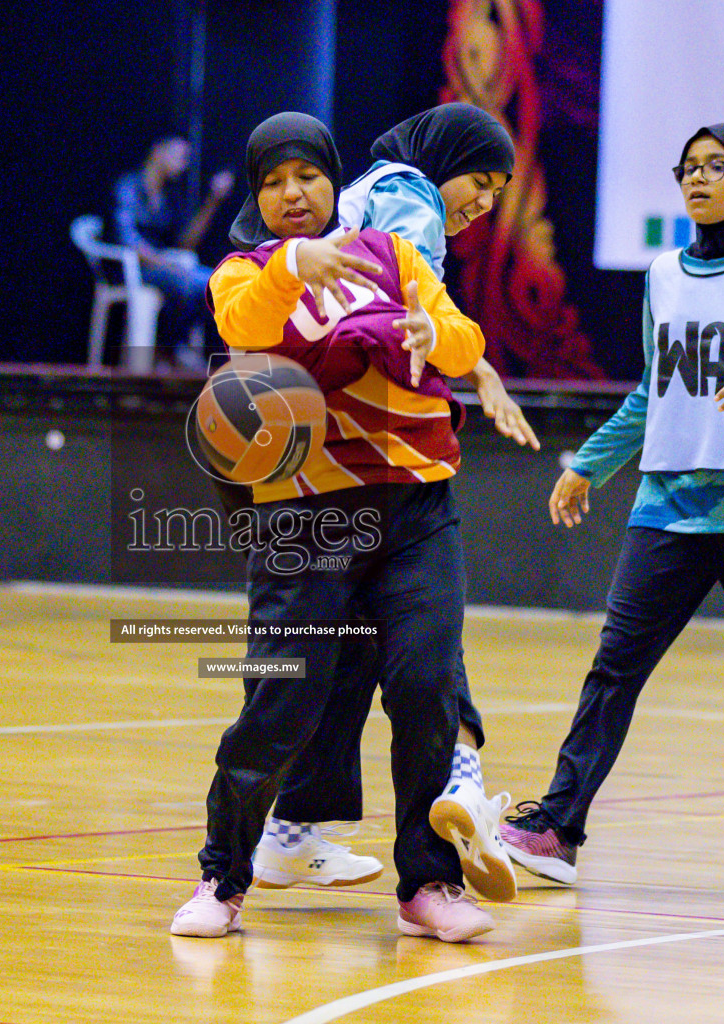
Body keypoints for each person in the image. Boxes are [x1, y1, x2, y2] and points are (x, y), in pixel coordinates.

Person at [497, 124, 724, 895]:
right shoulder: (663, 273)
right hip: (666, 505)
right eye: (688, 168)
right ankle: (558, 829)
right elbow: (652, 388)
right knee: (614, 669)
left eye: (715, 166)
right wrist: (590, 465)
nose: (697, 179)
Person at [170, 112, 495, 942]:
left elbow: (462, 337)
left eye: (308, 177)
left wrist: (438, 333)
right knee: (282, 704)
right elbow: (245, 328)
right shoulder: (241, 275)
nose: (293, 194)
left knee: (425, 689)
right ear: (258, 196)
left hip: (418, 507)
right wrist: (292, 266)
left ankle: (426, 887)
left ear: (334, 182)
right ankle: (223, 878)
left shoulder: (394, 254)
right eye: (275, 182)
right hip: (307, 517)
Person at [252, 103, 536, 904]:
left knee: (351, 656)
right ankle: (464, 782)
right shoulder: (409, 196)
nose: (483, 204)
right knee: (423, 634)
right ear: (445, 159)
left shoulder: (364, 194)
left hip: (320, 459)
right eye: (479, 181)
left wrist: (470, 368)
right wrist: (469, 367)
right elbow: (408, 304)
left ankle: (289, 833)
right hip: (385, 457)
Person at [111, 136, 235, 369]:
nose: (183, 163)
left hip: (163, 266)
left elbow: (185, 243)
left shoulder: (170, 195)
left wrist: (213, 201)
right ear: (158, 151)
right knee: (180, 282)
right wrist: (167, 264)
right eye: (179, 156)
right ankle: (170, 350)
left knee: (215, 284)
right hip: (130, 269)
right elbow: (128, 242)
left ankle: (214, 361)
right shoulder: (128, 186)